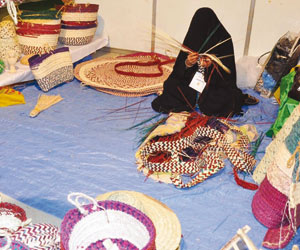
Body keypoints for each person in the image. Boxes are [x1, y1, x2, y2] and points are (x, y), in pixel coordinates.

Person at [151, 7, 259, 117]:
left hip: (214, 86)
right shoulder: (193, 36)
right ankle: (194, 102)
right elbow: (178, 70)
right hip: (190, 84)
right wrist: (188, 64)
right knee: (171, 85)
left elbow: (228, 75)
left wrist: (212, 66)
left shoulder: (223, 40)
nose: (200, 30)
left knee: (225, 97)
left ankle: (201, 102)